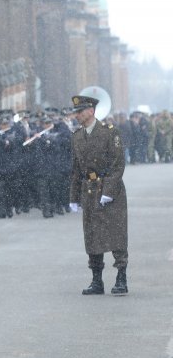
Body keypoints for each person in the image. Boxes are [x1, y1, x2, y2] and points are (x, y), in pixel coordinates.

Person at [69, 94, 129, 296]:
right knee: (92, 235)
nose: (76, 115)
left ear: (91, 111)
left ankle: (121, 277)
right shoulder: (77, 136)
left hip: (110, 191)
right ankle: (97, 280)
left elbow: (117, 164)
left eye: (80, 111)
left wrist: (109, 191)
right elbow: (77, 169)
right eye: (76, 112)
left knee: (116, 233)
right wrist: (74, 197)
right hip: (89, 191)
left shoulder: (110, 133)